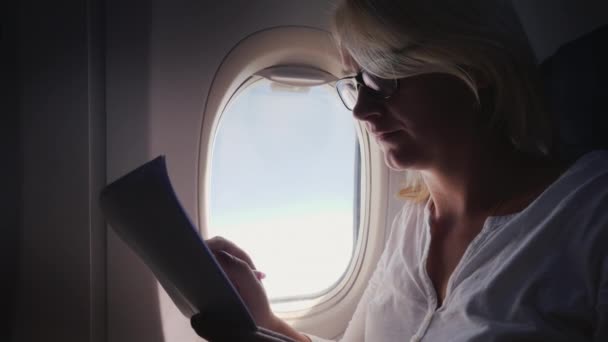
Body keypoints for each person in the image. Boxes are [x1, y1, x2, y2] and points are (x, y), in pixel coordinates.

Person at [193, 0, 608, 341]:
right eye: (356, 82)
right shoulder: (413, 224)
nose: (361, 109)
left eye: (384, 78)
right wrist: (264, 320)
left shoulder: (591, 214)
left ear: (476, 70)